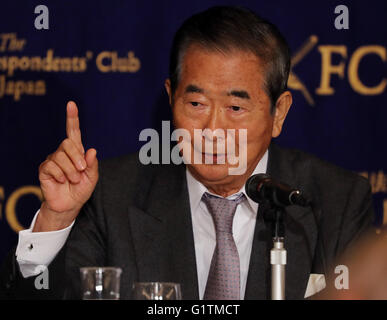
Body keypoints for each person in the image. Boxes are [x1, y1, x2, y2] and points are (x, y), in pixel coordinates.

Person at [0, 6, 374, 300]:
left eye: (235, 108)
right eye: (195, 103)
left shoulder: (336, 201)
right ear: (170, 98)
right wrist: (55, 221)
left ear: (279, 114)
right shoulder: (111, 196)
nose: (212, 130)